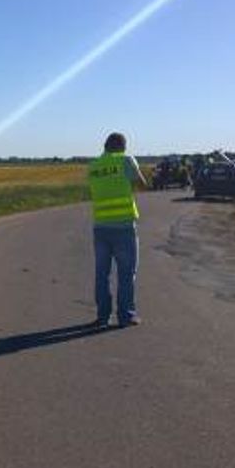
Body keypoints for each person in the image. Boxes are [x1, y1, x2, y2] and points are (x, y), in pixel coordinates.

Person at [88, 132, 146, 327]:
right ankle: (126, 315)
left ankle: (102, 316)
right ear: (122, 147)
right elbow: (142, 184)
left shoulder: (94, 166)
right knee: (126, 273)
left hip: (100, 227)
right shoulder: (126, 161)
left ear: (105, 146)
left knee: (102, 274)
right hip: (123, 227)